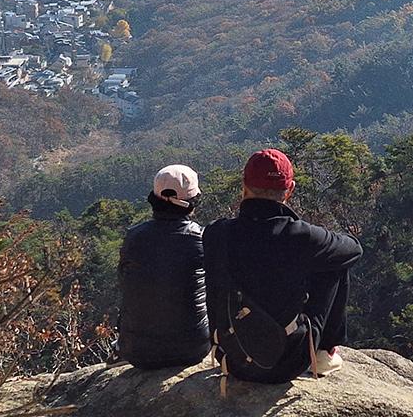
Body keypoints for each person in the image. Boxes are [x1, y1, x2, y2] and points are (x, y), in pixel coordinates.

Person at [203, 148, 362, 383]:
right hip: (287, 363)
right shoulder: (301, 236)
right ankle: (323, 354)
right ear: (290, 191)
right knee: (335, 262)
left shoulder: (216, 233)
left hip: (233, 359)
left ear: (244, 186)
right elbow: (354, 248)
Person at [116, 164, 211, 369]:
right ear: (192, 202)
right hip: (192, 348)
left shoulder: (133, 237)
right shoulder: (201, 239)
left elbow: (124, 282)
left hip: (136, 351)